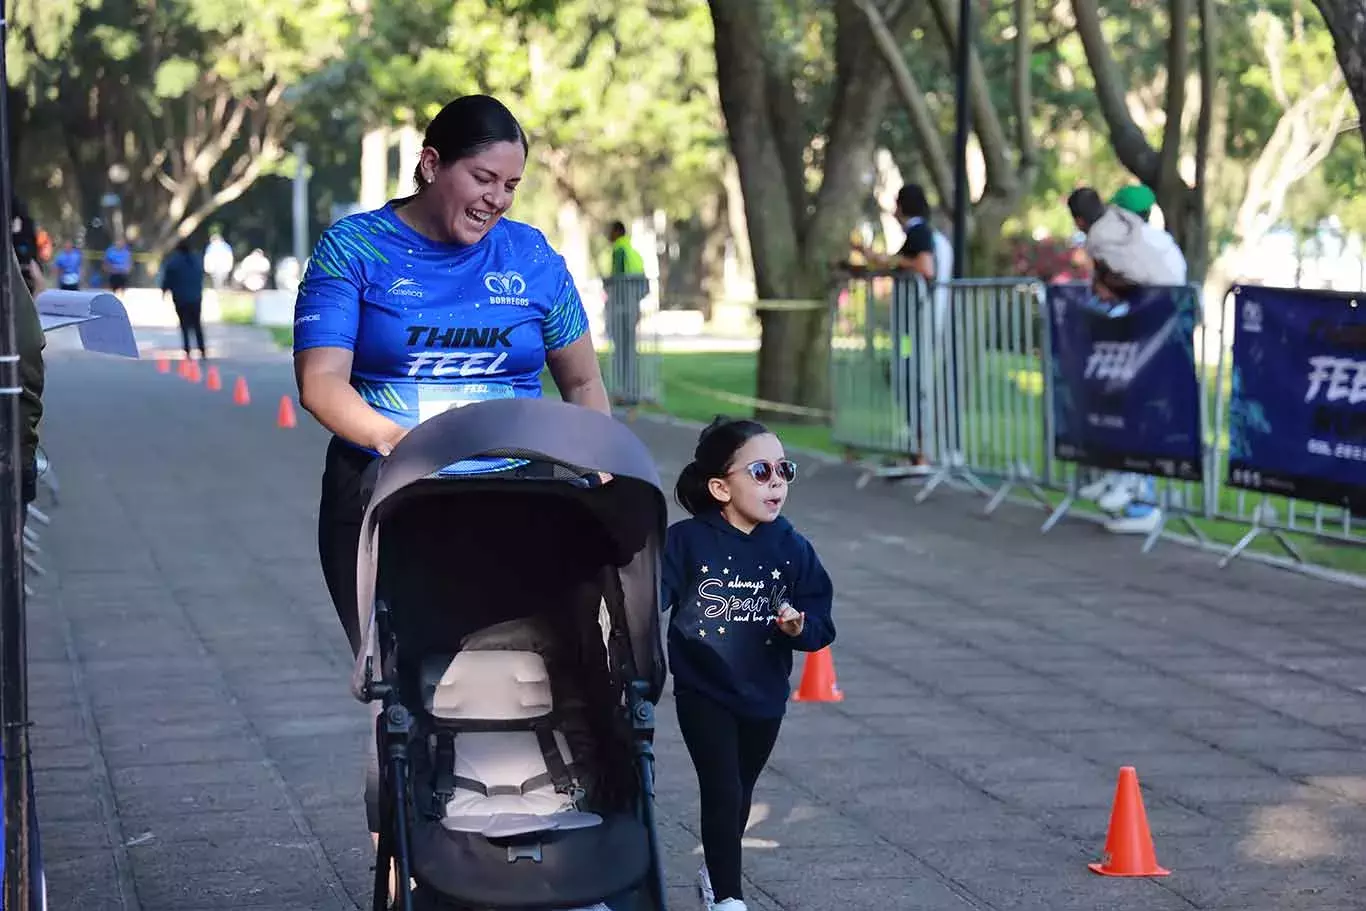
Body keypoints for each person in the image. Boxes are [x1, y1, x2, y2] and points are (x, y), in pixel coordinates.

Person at [292, 94, 611, 655]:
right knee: (400, 679)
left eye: (511, 186)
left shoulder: (532, 256)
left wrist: (604, 465)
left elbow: (583, 382)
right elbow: (321, 382)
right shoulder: (354, 248)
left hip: (513, 492)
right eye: (484, 178)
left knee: (526, 673)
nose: (497, 200)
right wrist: (403, 443)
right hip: (387, 490)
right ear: (433, 164)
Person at [661, 416, 835, 911]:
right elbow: (651, 596)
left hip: (764, 694)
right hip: (703, 689)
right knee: (721, 787)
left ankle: (715, 872)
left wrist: (801, 628)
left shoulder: (791, 546)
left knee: (740, 791)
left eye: (784, 469)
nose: (777, 481)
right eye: (760, 471)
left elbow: (821, 618)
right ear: (720, 487)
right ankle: (729, 897)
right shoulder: (687, 541)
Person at [1066, 186, 1190, 535]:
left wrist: (1108, 290)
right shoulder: (1152, 240)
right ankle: (1120, 478)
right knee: (1122, 405)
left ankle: (1140, 496)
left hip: (1154, 329)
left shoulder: (1122, 241)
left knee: (1139, 407)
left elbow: (1124, 283)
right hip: (1155, 327)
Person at [605, 220, 646, 403]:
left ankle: (625, 391)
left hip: (621, 310)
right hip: (631, 308)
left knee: (621, 352)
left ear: (617, 232)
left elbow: (617, 282)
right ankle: (632, 390)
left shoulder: (620, 251)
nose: (608, 235)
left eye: (610, 231)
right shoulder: (634, 252)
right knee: (629, 351)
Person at [160, 241, 207, 360]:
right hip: (195, 297)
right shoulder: (196, 261)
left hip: (180, 297)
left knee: (184, 323)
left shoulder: (174, 262)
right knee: (197, 324)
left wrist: (164, 291)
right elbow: (201, 276)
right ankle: (202, 349)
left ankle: (187, 349)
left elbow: (167, 279)